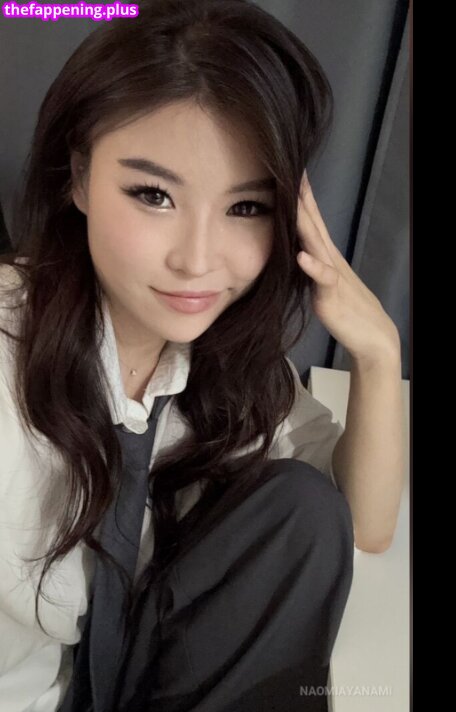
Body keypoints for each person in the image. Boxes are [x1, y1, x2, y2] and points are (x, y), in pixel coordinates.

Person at [0, 1, 405, 710]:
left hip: (138, 663)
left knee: (303, 509)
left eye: (245, 207)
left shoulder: (219, 361)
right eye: (153, 195)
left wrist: (377, 353)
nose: (197, 260)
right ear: (79, 177)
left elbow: (362, 525)